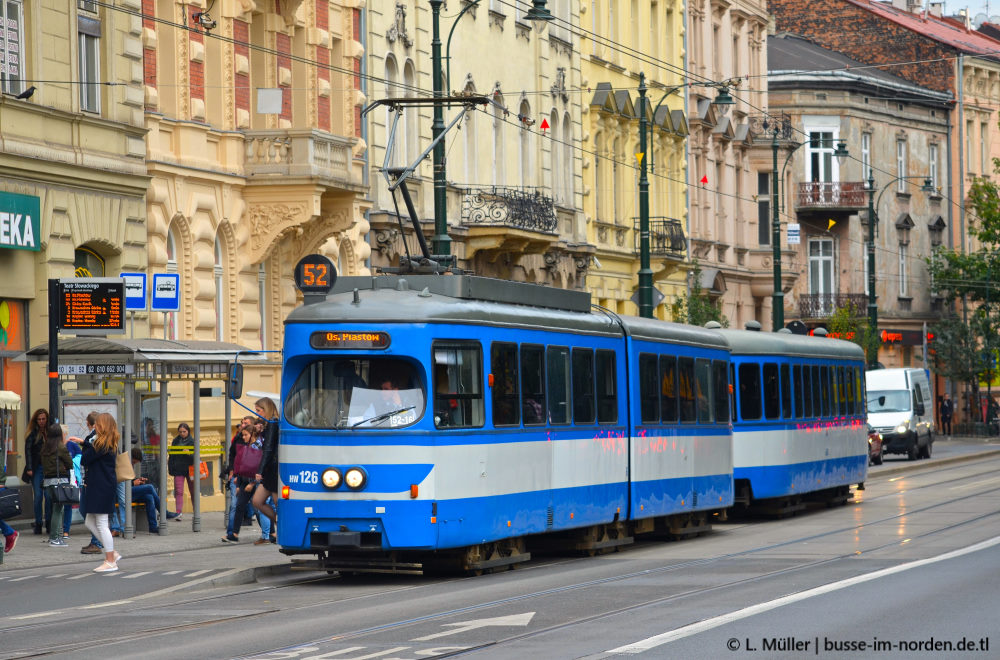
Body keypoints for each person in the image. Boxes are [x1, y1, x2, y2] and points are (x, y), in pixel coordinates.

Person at [81, 412, 121, 572]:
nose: (94, 427)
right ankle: (112, 553)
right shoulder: (106, 443)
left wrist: (87, 441)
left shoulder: (101, 444)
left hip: (101, 487)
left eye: (97, 424)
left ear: (102, 426)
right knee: (89, 522)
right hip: (101, 486)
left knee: (102, 524)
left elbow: (85, 459)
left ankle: (110, 560)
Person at [250, 397, 279, 539]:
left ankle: (283, 526)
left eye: (259, 410)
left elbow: (268, 449)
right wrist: (261, 431)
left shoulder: (273, 422)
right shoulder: (269, 424)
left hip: (273, 468)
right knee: (257, 501)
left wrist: (259, 471)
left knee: (277, 502)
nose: (257, 414)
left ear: (266, 409)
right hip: (269, 469)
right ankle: (279, 522)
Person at [40, 423, 73, 547]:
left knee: (55, 508)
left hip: (48, 482)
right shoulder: (61, 447)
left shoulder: (45, 447)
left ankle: (55, 537)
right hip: (59, 481)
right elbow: (69, 464)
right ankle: (55, 538)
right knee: (58, 510)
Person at [22, 408, 50, 535]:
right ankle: (38, 523)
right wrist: (29, 467)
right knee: (38, 496)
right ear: (36, 420)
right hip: (37, 467)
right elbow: (27, 451)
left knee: (49, 496)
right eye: (39, 419)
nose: (41, 421)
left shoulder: (50, 432)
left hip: (48, 468)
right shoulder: (32, 433)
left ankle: (48, 522)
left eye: (43, 419)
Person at [167, 422, 195, 521]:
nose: (182, 433)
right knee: (179, 491)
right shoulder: (175, 441)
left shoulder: (192, 441)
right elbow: (172, 456)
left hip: (190, 469)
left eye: (184, 431)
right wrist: (171, 468)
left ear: (188, 431)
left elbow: (197, 457)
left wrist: (189, 453)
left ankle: (196, 512)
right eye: (180, 432)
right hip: (178, 469)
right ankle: (178, 513)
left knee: (193, 491)